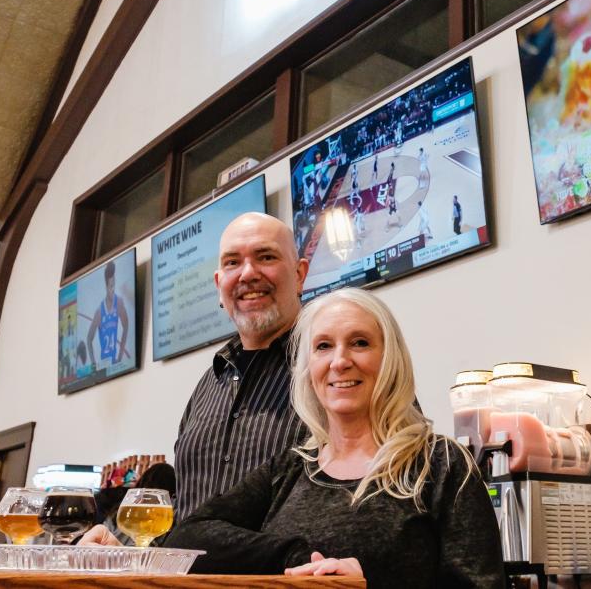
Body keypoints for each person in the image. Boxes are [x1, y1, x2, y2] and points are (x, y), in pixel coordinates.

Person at [164, 288, 504, 588]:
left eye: (360, 343)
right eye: (323, 346)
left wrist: (370, 581)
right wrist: (292, 556)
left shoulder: (441, 464)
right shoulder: (291, 468)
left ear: (390, 359)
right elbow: (188, 536)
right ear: (308, 368)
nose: (340, 361)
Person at [81, 213, 309, 544]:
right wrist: (129, 553)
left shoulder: (336, 369)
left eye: (266, 257)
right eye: (233, 262)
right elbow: (188, 519)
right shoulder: (209, 384)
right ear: (219, 285)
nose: (247, 273)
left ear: (300, 274)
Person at [86, 260, 130, 369]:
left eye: (114, 285)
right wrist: (93, 364)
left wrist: (120, 356)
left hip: (115, 362)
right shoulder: (100, 311)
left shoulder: (118, 302)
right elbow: (89, 339)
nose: (113, 289)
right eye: (111, 286)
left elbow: (126, 325)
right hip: (104, 365)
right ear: (106, 286)